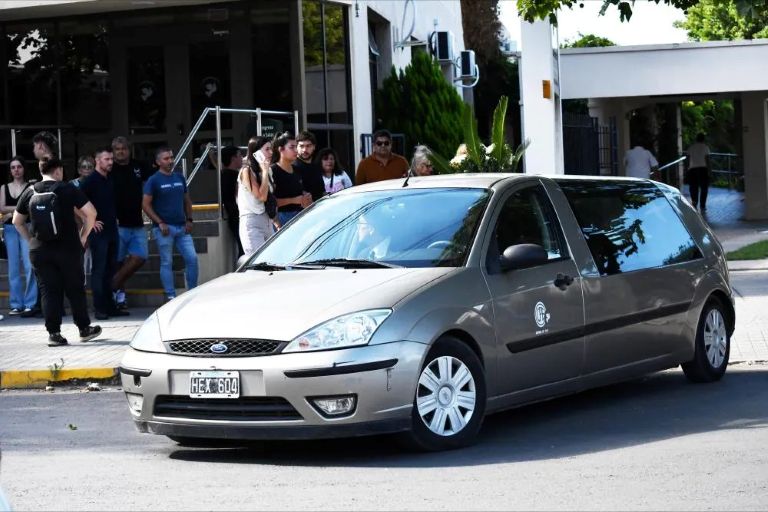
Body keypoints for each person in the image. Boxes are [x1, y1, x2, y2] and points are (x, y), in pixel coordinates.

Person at [12, 158, 102, 346]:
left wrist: (30, 240)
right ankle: (84, 329)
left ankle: (54, 334)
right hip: (68, 248)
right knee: (75, 289)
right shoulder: (67, 188)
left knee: (48, 291)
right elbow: (91, 213)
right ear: (58, 170)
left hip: (40, 250)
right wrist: (83, 236)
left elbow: (16, 221)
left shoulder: (30, 190)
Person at [142, 147, 199, 302]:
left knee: (192, 258)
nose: (170, 161)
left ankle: (192, 292)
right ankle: (170, 295)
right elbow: (145, 204)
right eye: (166, 158)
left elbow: (187, 200)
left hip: (182, 227)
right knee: (167, 261)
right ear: (158, 162)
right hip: (164, 229)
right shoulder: (153, 180)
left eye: (172, 157)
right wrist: (159, 222)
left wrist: (190, 219)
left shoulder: (180, 177)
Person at [82, 148, 128, 320]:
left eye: (111, 159)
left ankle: (110, 306)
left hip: (112, 230)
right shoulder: (90, 181)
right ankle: (99, 308)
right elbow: (76, 205)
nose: (110, 162)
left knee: (111, 269)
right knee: (99, 270)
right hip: (98, 233)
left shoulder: (110, 179)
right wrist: (89, 222)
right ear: (97, 160)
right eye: (107, 159)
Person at [111, 136, 154, 309]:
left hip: (137, 223)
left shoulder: (139, 166)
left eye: (124, 148)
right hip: (117, 223)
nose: (121, 151)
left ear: (129, 150)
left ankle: (111, 286)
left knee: (140, 257)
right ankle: (120, 297)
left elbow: (153, 183)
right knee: (118, 262)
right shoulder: (109, 168)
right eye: (117, 149)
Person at [0, 157, 37, 315]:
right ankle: (16, 304)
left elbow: (31, 205)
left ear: (24, 168)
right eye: (13, 167)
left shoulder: (30, 187)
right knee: (13, 267)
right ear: (10, 170)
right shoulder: (4, 187)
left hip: (26, 227)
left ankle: (30, 302)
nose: (16, 170)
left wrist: (11, 211)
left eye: (19, 167)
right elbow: (1, 207)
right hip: (9, 229)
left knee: (30, 265)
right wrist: (20, 208)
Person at [237, 137, 274, 255]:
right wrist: (264, 172)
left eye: (271, 149)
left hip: (267, 220)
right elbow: (261, 196)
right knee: (258, 262)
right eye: (267, 149)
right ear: (256, 153)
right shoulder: (246, 171)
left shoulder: (268, 170)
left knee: (273, 260)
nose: (271, 152)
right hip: (252, 221)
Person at [272, 132, 312, 226]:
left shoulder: (297, 170)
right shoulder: (273, 171)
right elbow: (270, 202)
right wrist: (294, 200)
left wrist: (305, 197)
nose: (296, 151)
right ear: (280, 149)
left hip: (300, 216)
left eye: (296, 147)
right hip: (281, 219)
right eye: (291, 147)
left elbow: (298, 191)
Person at [214, 145, 244, 256]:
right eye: (240, 156)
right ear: (233, 158)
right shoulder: (234, 176)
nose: (242, 158)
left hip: (235, 216)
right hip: (237, 216)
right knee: (244, 249)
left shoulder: (224, 175)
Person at [293, 130, 325, 201]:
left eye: (308, 146)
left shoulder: (316, 167)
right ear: (296, 147)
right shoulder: (292, 167)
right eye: (301, 146)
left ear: (314, 147)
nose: (305, 150)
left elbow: (321, 191)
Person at [686, 133, 712, 212]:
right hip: (703, 169)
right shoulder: (705, 147)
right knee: (704, 188)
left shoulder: (691, 147)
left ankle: (694, 202)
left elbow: (688, 159)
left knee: (693, 187)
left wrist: (686, 169)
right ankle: (702, 205)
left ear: (696, 139)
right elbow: (707, 159)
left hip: (692, 169)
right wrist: (710, 171)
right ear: (703, 139)